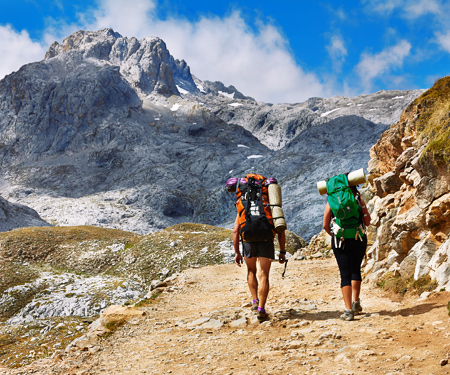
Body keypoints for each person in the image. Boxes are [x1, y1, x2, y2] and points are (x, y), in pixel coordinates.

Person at [323, 185, 371, 321]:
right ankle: (356, 303)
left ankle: (348, 310)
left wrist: (334, 235)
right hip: (359, 239)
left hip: (340, 241)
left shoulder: (332, 201)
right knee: (356, 269)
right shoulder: (358, 199)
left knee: (345, 275)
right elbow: (367, 222)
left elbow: (325, 225)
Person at [233, 214, 286, 322]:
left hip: (248, 241)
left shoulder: (244, 204)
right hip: (266, 241)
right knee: (264, 275)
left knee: (251, 270)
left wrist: (237, 252)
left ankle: (255, 301)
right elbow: (280, 230)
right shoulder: (268, 204)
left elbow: (235, 231)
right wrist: (282, 251)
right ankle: (261, 309)